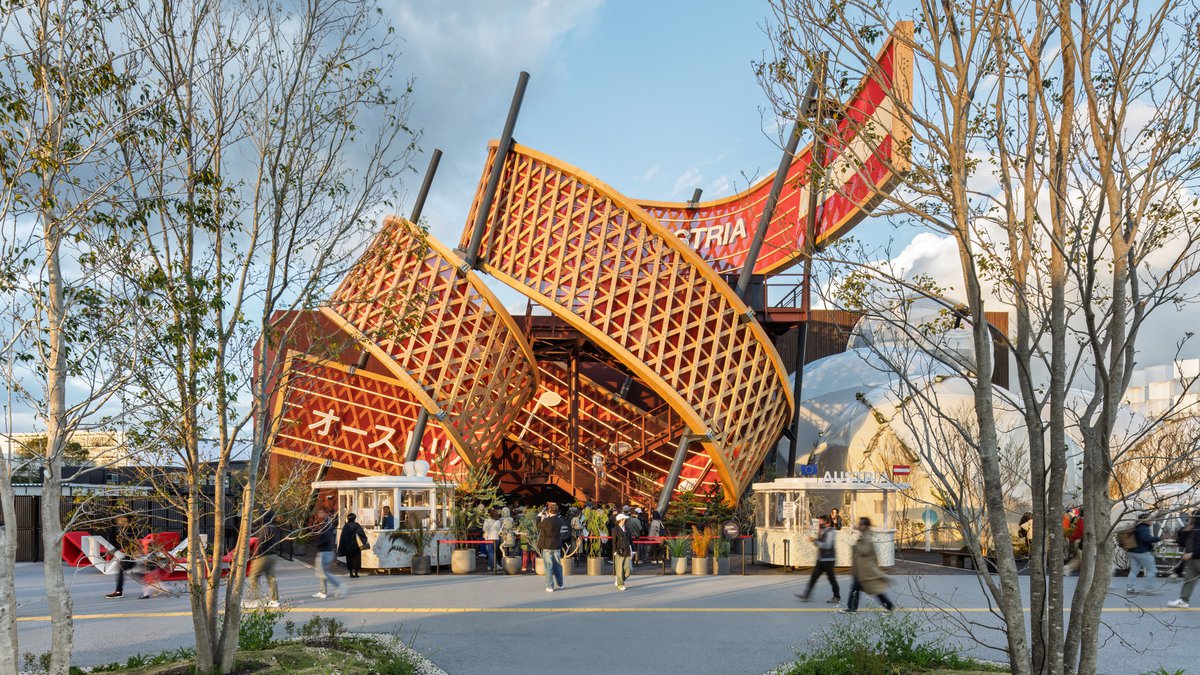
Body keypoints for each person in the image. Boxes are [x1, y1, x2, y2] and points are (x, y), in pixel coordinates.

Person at [845, 517, 894, 612]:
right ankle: (852, 607)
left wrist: (856, 543)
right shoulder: (863, 536)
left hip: (866, 570)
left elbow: (864, 551)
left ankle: (889, 606)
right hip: (861, 569)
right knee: (856, 589)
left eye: (860, 524)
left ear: (866, 526)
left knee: (874, 590)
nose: (859, 526)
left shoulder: (867, 537)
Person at [795, 515, 840, 604]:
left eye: (821, 523)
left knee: (831, 579)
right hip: (821, 559)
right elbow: (820, 544)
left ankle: (837, 596)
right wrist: (815, 540)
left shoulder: (831, 532)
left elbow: (827, 545)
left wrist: (814, 541)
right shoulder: (823, 531)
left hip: (828, 559)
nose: (819, 524)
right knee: (813, 577)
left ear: (827, 523)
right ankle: (806, 594)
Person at [244, 511, 283, 608]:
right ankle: (275, 600)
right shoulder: (275, 528)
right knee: (271, 578)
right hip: (273, 556)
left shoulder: (265, 528)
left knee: (254, 576)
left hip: (263, 556)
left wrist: (254, 555)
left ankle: (255, 600)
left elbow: (260, 544)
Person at [1168, 512, 1200, 608]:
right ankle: (1183, 600)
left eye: (1190, 517)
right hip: (1191, 559)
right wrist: (1183, 531)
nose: (1188, 519)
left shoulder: (1197, 529)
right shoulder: (1191, 529)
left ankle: (1183, 600)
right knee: (1189, 579)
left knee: (1189, 579)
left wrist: (1192, 554)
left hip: (1194, 557)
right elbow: (1181, 542)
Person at [313, 508, 345, 599]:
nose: (319, 514)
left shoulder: (326, 524)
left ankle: (337, 586)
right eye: (318, 512)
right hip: (326, 550)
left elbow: (326, 538)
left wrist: (318, 545)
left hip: (325, 551)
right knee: (322, 572)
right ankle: (323, 591)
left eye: (321, 512)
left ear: (326, 513)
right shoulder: (326, 523)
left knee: (324, 572)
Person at [1125, 513, 1161, 596]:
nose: (1151, 521)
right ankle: (1149, 589)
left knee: (1134, 570)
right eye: (1150, 519)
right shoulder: (1143, 528)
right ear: (1145, 520)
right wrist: (1159, 538)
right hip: (1142, 552)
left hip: (1133, 552)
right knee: (1151, 570)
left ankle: (1130, 588)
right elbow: (1147, 539)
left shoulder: (1136, 527)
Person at [538, 503, 565, 592]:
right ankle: (560, 583)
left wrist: (540, 516)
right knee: (558, 565)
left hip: (547, 545)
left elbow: (538, 526)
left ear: (549, 510)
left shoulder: (546, 521)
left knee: (548, 566)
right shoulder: (560, 520)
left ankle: (550, 586)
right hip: (556, 544)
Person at [338, 513, 370, 579]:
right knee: (357, 559)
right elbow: (362, 534)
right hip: (356, 546)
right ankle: (356, 573)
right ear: (354, 518)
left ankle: (350, 573)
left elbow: (343, 537)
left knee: (349, 559)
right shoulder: (357, 525)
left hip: (348, 546)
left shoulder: (346, 526)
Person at [612, 513, 633, 590]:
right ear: (620, 520)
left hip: (627, 551)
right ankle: (620, 584)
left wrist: (633, 550)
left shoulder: (627, 529)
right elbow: (614, 542)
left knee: (629, 569)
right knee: (619, 569)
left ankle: (619, 580)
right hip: (619, 551)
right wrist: (615, 551)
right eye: (624, 519)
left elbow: (631, 540)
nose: (625, 520)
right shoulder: (615, 530)